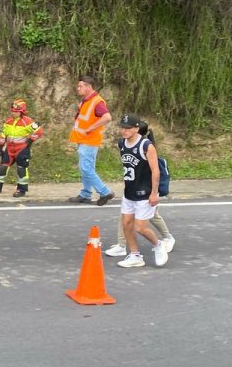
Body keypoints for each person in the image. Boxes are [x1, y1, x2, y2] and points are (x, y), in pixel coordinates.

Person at [105, 119, 174, 258]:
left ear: (138, 132)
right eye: (123, 128)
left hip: (146, 191)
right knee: (126, 220)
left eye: (129, 129)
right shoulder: (124, 144)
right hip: (132, 191)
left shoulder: (146, 147)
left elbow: (155, 172)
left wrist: (154, 193)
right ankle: (123, 245)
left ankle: (167, 238)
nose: (125, 131)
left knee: (149, 219)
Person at [67, 76, 114, 205]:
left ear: (88, 87)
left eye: (80, 86)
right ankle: (85, 194)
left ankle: (105, 192)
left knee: (86, 169)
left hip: (89, 141)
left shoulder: (97, 102)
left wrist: (90, 128)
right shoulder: (86, 101)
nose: (78, 88)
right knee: (86, 169)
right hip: (84, 140)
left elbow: (107, 117)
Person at [0, 99, 43, 197]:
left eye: (16, 111)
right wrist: (0, 147)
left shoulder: (27, 121)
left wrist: (30, 140)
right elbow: (3, 134)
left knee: (21, 169)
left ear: (22, 112)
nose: (13, 113)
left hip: (22, 149)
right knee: (2, 168)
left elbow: (39, 131)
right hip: (10, 149)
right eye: (12, 111)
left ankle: (21, 190)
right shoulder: (8, 121)